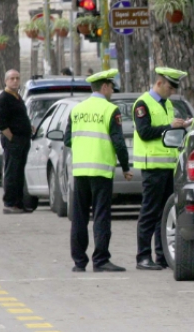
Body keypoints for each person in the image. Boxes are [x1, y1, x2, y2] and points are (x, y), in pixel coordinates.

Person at [64, 69, 132, 272]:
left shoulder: (77, 110)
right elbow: (119, 143)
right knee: (101, 215)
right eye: (111, 87)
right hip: (101, 170)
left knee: (79, 216)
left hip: (80, 170)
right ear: (104, 87)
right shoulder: (110, 110)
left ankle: (79, 262)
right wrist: (126, 167)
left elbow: (67, 139)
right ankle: (101, 260)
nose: (112, 91)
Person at [133, 67, 191, 270]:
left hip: (168, 166)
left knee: (164, 213)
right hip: (152, 166)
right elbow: (145, 132)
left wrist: (181, 126)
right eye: (170, 86)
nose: (172, 91)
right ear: (159, 83)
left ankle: (161, 255)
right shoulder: (143, 103)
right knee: (149, 211)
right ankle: (142, 256)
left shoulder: (166, 104)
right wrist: (170, 127)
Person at [0, 69, 33, 214]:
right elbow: (1, 123)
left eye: (17, 78)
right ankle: (9, 203)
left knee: (19, 173)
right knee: (12, 172)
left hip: (23, 139)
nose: (15, 81)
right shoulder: (3, 98)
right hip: (13, 141)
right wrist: (12, 138)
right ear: (6, 81)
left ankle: (19, 203)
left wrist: (29, 127)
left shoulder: (17, 96)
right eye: (12, 78)